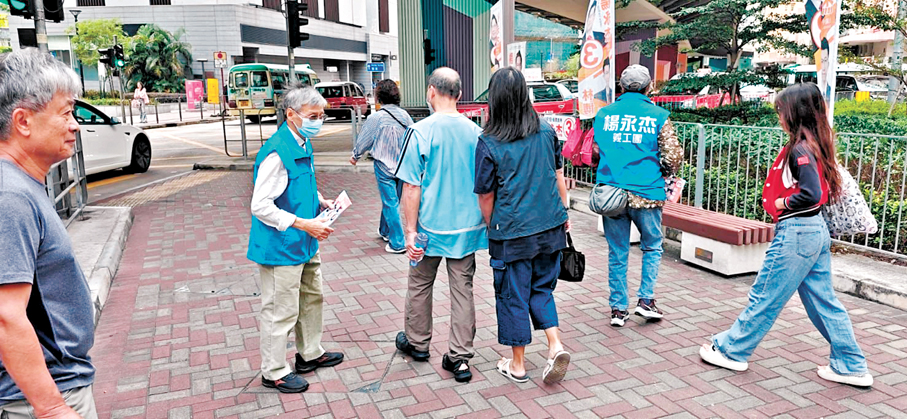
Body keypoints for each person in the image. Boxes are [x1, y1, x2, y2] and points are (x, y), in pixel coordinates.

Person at [699, 83, 874, 387]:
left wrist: (782, 203)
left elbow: (811, 193)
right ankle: (850, 365)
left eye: (781, 110)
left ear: (795, 113)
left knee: (766, 294)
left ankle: (731, 350)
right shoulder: (815, 144)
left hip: (797, 232)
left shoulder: (801, 149)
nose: (779, 116)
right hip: (812, 231)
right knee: (824, 302)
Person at [0, 49, 97, 418]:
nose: (75, 125)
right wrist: (52, 407)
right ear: (23, 121)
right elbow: (6, 316)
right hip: (42, 396)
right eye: (66, 112)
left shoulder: (21, 185)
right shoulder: (10, 196)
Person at [474, 68, 572, 384]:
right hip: (550, 226)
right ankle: (555, 345)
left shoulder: (488, 141)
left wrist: (492, 225)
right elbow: (558, 176)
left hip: (512, 232)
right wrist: (564, 212)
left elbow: (486, 195)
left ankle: (517, 365)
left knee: (513, 294)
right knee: (542, 288)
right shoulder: (546, 131)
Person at [248, 83, 343, 394]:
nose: (319, 121)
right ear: (291, 114)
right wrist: (303, 223)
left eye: (321, 116)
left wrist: (320, 200)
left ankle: (310, 353)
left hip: (304, 240)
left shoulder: (302, 142)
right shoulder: (277, 151)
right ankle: (274, 370)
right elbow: (260, 205)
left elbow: (297, 184)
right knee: (280, 309)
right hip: (282, 246)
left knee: (311, 298)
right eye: (313, 116)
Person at [393, 67, 487, 383]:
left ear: (431, 91)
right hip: (467, 228)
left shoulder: (420, 131)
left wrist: (409, 231)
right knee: (463, 290)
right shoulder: (476, 133)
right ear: (459, 95)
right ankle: (459, 358)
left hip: (428, 229)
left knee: (420, 284)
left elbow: (411, 186)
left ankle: (418, 343)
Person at [591, 64, 682, 327]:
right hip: (647, 192)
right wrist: (665, 171)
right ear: (649, 87)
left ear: (621, 86)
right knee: (652, 246)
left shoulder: (604, 114)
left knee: (617, 251)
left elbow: (596, 149)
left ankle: (618, 310)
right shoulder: (658, 115)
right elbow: (673, 156)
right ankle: (646, 301)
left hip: (612, 192)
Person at [350, 79, 413, 254]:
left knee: (390, 202)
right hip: (403, 166)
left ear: (379, 97)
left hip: (384, 166)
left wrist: (355, 155)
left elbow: (365, 139)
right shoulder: (405, 116)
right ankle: (385, 230)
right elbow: (413, 138)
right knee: (393, 201)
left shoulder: (376, 118)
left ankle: (397, 243)